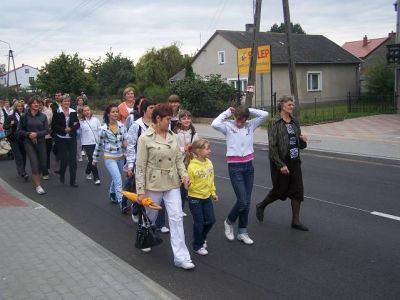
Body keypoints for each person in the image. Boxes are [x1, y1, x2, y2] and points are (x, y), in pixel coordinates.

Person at [135, 103, 194, 270]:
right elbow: (140, 167)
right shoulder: (145, 138)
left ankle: (181, 258)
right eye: (168, 119)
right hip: (153, 184)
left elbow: (178, 160)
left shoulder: (172, 136)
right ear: (158, 119)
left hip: (172, 182)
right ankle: (145, 236)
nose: (170, 122)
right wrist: (140, 191)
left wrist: (184, 175)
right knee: (150, 216)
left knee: (176, 218)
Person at [211, 105, 268, 245]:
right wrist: (228, 112)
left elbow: (265, 114)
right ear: (235, 117)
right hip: (235, 167)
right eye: (237, 119)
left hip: (249, 166)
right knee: (242, 200)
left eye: (242, 120)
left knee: (247, 202)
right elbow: (214, 124)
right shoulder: (228, 126)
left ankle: (242, 232)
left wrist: (248, 109)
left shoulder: (250, 125)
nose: (239, 123)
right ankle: (229, 221)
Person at [256, 95, 309, 231]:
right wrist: (281, 165)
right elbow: (272, 146)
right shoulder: (275, 122)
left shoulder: (294, 122)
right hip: (281, 161)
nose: (292, 107)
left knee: (298, 191)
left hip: (295, 161)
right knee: (280, 191)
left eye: (293, 105)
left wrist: (303, 140)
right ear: (282, 106)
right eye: (289, 105)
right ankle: (261, 205)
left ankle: (295, 221)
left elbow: (300, 145)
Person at [93, 104, 130, 213]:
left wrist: (130, 152)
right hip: (109, 157)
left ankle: (112, 193)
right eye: (113, 112)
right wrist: (94, 159)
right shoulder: (103, 129)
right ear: (108, 114)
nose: (115, 114)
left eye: (117, 112)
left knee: (116, 177)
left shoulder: (122, 126)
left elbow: (125, 141)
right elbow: (98, 145)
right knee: (118, 179)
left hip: (120, 157)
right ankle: (122, 203)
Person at [187, 139, 217, 256]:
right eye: (207, 149)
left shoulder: (209, 163)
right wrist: (188, 185)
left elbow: (211, 179)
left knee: (211, 220)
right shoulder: (192, 166)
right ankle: (197, 245)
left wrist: (213, 193)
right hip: (195, 199)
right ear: (198, 151)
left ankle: (202, 237)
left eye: (209, 148)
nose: (210, 150)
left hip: (207, 197)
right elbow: (190, 187)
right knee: (199, 223)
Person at [17, 96, 49, 195]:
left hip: (41, 142)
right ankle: (38, 186)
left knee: (43, 164)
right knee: (34, 164)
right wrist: (29, 134)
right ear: (30, 104)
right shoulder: (24, 116)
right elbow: (19, 131)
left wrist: (37, 134)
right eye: (34, 103)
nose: (36, 104)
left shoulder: (43, 116)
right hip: (29, 143)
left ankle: (39, 175)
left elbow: (47, 130)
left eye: (38, 103)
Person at [174, 109, 199, 214]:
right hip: (179, 161)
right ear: (179, 120)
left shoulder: (194, 133)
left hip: (190, 161)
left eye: (188, 118)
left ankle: (181, 208)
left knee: (186, 185)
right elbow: (173, 148)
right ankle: (177, 208)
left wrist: (192, 150)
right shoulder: (175, 133)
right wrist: (183, 149)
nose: (187, 120)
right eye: (184, 118)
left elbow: (197, 147)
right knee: (178, 186)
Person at [52, 94, 80, 187]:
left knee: (73, 160)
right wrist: (63, 130)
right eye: (65, 101)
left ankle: (73, 181)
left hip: (72, 138)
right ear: (61, 102)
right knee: (64, 159)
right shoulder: (57, 111)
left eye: (68, 101)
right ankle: (62, 172)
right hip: (61, 138)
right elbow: (54, 126)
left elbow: (77, 124)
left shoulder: (73, 111)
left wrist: (71, 128)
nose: (67, 103)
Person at [3, 100, 28, 180]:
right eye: (18, 106)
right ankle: (23, 173)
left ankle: (22, 170)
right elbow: (5, 126)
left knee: (23, 156)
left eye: (21, 106)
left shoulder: (25, 116)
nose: (20, 108)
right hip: (14, 139)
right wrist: (11, 124)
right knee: (18, 156)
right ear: (15, 107)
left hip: (23, 139)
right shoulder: (11, 116)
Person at [79, 105, 101, 185]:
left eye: (88, 110)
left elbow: (100, 130)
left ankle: (88, 171)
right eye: (85, 111)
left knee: (93, 160)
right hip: (86, 143)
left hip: (95, 143)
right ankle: (96, 178)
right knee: (92, 159)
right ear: (83, 112)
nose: (87, 112)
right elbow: (78, 133)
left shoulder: (95, 120)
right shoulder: (81, 122)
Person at [39, 99, 53, 180]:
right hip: (38, 137)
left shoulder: (48, 111)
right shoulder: (33, 113)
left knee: (47, 153)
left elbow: (51, 122)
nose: (39, 106)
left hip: (47, 136)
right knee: (40, 154)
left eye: (41, 104)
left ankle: (46, 168)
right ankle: (41, 169)